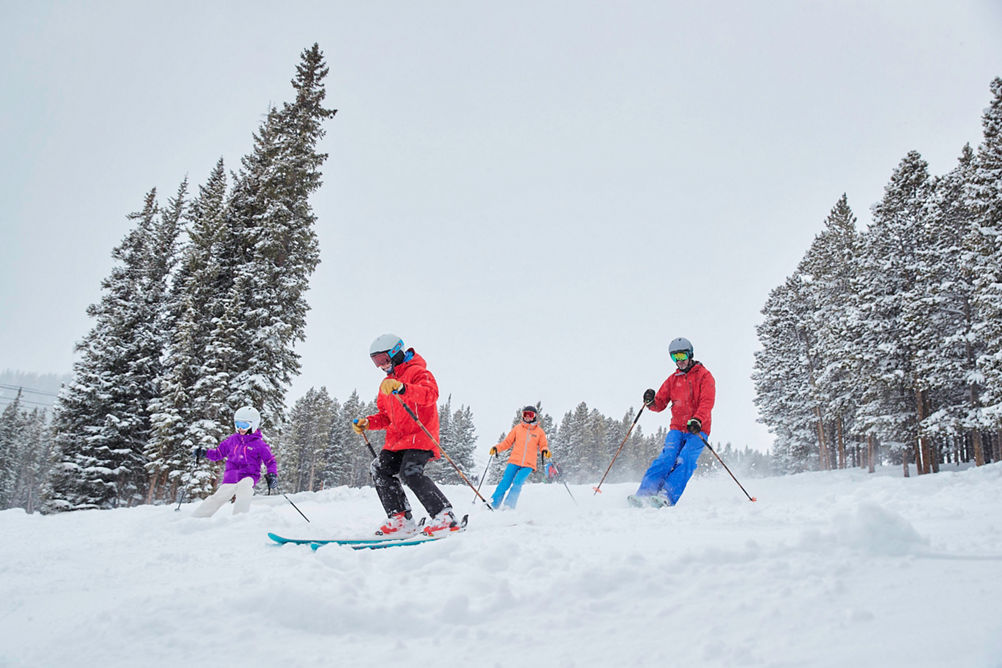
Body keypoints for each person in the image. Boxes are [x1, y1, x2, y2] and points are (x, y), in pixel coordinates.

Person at [352, 333, 460, 536]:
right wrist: (368, 422)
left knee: (410, 473)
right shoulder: (386, 384)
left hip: (420, 436)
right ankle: (400, 518)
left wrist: (403, 388)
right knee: (379, 469)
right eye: (376, 361)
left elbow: (430, 395)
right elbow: (385, 417)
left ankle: (445, 516)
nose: (381, 366)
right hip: (397, 441)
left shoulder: (419, 372)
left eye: (383, 359)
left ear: (396, 353)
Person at [628, 337, 715, 508]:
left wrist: (697, 419)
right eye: (675, 357)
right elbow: (660, 404)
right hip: (677, 428)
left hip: (698, 429)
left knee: (685, 460)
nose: (679, 361)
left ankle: (666, 495)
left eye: (682, 356)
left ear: (690, 355)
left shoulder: (705, 376)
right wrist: (650, 402)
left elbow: (707, 402)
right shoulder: (673, 379)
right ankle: (645, 493)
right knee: (666, 459)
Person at [191, 406, 277, 517]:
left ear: (254, 425)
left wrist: (272, 474)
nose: (240, 428)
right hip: (231, 476)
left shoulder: (259, 444)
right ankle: (197, 517)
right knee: (218, 497)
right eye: (237, 425)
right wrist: (204, 453)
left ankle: (239, 517)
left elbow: (270, 460)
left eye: (244, 425)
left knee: (244, 488)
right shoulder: (232, 440)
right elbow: (218, 453)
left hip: (249, 475)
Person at [489, 405, 550, 509]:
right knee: (505, 482)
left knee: (517, 483)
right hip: (514, 461)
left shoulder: (539, 432)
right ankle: (493, 504)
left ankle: (508, 506)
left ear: (534, 416)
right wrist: (497, 448)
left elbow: (543, 445)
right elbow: (507, 442)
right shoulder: (517, 428)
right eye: (525, 414)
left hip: (528, 464)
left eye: (530, 414)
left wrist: (545, 450)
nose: (527, 417)